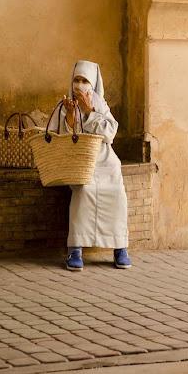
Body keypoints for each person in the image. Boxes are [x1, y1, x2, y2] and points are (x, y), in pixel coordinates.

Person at [52, 60, 131, 271]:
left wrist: (89, 112)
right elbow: (61, 137)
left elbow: (109, 134)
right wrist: (70, 117)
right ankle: (75, 248)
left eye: (84, 80)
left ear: (93, 83)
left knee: (117, 192)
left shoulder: (101, 104)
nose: (79, 85)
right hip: (79, 161)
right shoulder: (65, 104)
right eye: (76, 80)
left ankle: (119, 246)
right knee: (84, 191)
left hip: (104, 159)